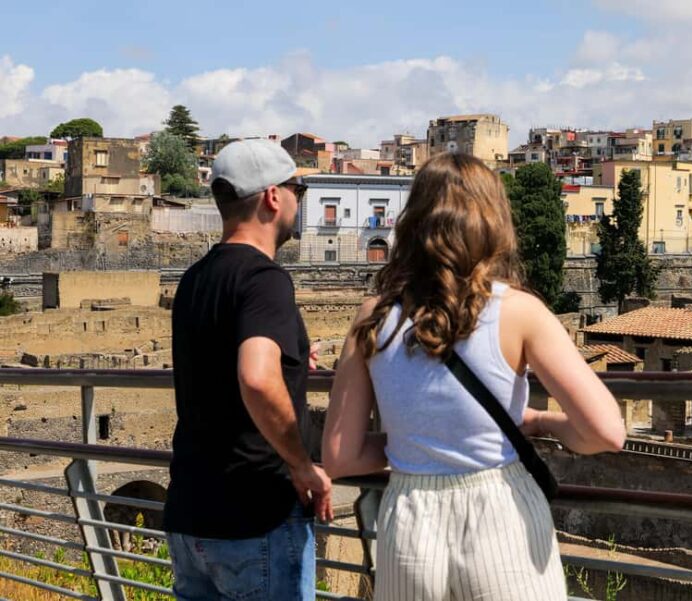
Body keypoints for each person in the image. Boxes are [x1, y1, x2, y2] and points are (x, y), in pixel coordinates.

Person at [323, 152, 625, 600]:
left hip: (409, 526)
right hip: (500, 515)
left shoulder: (374, 315)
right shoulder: (521, 311)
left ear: (414, 222)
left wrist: (416, 442)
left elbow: (339, 457)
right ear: (493, 222)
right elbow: (606, 432)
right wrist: (544, 423)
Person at [163, 139, 333, 601]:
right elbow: (256, 378)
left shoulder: (196, 278)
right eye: (298, 189)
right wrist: (302, 465)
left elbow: (221, 361)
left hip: (191, 512)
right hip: (254, 515)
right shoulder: (264, 278)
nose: (299, 202)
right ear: (273, 196)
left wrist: (292, 358)